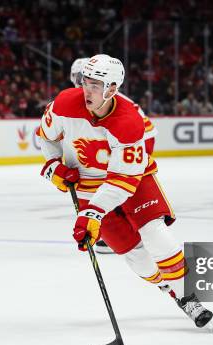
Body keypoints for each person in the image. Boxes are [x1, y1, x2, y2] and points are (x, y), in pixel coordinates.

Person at [39, 54, 213, 328]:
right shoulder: (63, 104)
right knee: (136, 256)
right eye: (86, 82)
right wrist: (52, 167)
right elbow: (46, 138)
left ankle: (188, 296)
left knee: (155, 234)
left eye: (97, 85)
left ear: (112, 88)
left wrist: (92, 214)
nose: (88, 90)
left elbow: (122, 181)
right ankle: (170, 291)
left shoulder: (128, 121)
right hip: (88, 184)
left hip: (133, 179)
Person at [70, 57, 157, 254]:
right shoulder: (88, 97)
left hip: (139, 140)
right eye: (79, 77)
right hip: (127, 142)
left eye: (82, 77)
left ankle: (128, 228)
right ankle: (115, 228)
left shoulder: (109, 98)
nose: (79, 81)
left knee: (117, 184)